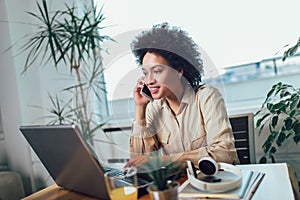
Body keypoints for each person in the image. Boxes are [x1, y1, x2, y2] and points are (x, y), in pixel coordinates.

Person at [124, 22, 239, 169]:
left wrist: (166, 160)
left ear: (179, 70)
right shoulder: (153, 109)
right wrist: (139, 109)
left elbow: (224, 154)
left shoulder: (207, 97)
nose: (149, 81)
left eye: (157, 71)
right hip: (178, 186)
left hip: (216, 183)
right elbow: (140, 163)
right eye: (145, 73)